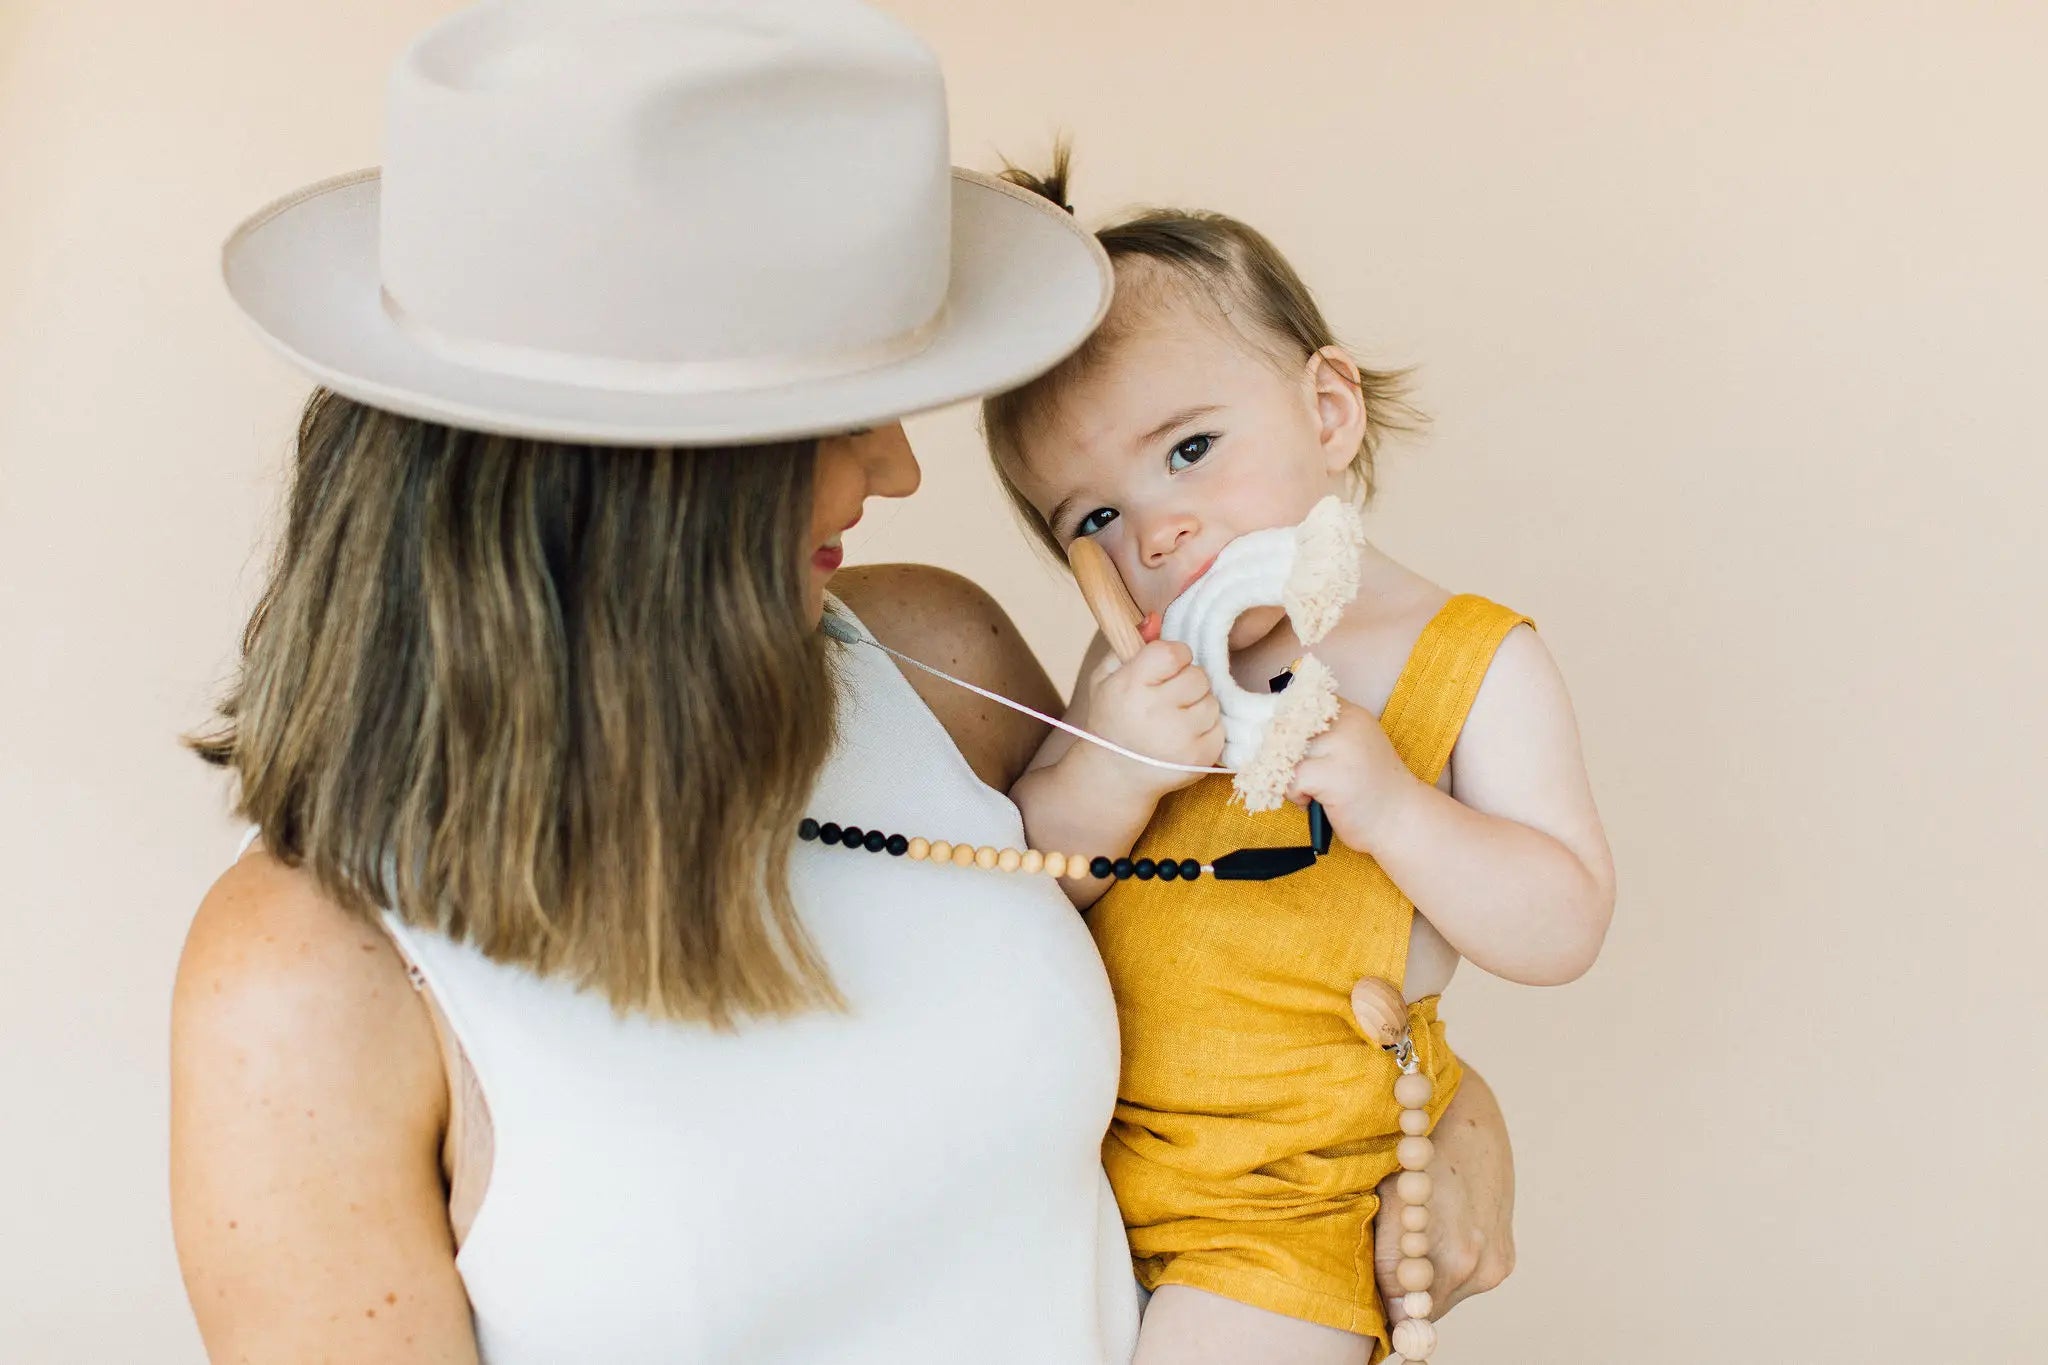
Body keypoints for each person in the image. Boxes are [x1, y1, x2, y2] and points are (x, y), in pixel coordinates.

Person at [169, 5, 1518, 1361]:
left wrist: (1446, 1108)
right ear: (628, 476)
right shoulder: (302, 983)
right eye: (829, 415)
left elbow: (1228, 958)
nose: (899, 470)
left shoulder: (938, 666)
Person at [988, 149, 1611, 1364]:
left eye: (1187, 451)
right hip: (1077, 1170)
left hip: (1293, 1202)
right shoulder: (1130, 680)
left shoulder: (1468, 659)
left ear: (1326, 413)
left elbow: (1562, 924)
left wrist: (1392, 805)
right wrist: (1105, 774)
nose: (1157, 530)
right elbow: (1029, 891)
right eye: (1093, 518)